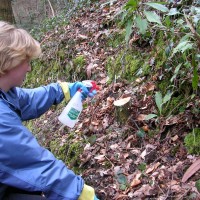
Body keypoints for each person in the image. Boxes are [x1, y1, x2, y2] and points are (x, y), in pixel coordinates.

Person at [0, 21, 99, 200]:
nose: (29, 68)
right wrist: (82, 194)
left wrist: (65, 90)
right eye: (26, 61)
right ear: (8, 62)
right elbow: (34, 164)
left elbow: (28, 100)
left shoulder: (6, 93)